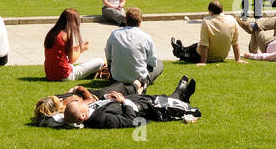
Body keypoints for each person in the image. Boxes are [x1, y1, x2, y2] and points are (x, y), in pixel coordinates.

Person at [36, 78, 200, 129]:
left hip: (121, 101)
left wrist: (109, 99)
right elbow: (131, 121)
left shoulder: (89, 112)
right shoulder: (102, 120)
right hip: (139, 109)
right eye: (80, 104)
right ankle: (180, 95)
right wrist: (124, 102)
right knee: (161, 101)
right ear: (83, 115)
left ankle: (179, 94)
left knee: (156, 96)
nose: (83, 102)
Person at [105, 7, 162, 93]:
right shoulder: (146, 37)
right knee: (159, 64)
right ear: (140, 21)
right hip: (137, 77)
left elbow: (108, 56)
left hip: (117, 77)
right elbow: (152, 62)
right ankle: (144, 82)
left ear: (126, 20)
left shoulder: (115, 34)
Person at [43, 8, 105, 81]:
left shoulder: (52, 33)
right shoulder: (65, 35)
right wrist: (80, 49)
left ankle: (90, 74)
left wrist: (77, 48)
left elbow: (60, 51)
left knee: (74, 65)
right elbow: (72, 60)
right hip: (64, 76)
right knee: (99, 61)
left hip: (50, 74)